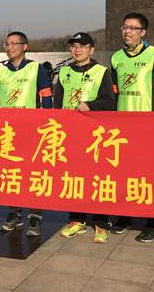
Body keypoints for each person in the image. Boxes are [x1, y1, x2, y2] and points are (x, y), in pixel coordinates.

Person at [0, 31, 53, 236]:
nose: (9, 47)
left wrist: (48, 123)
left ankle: (35, 216)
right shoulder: (0, 72)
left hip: (32, 130)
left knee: (33, 174)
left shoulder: (36, 68)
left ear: (25, 46)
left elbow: (46, 97)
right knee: (12, 173)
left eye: (13, 43)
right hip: (8, 133)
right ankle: (15, 212)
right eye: (6, 44)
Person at [109, 12, 154, 241]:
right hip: (123, 128)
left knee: (150, 175)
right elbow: (114, 92)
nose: (127, 31)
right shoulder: (116, 58)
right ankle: (126, 216)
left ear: (143, 32)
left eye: (133, 28)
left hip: (148, 127)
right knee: (125, 174)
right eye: (125, 26)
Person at [54, 32, 115, 243]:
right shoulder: (63, 72)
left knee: (97, 178)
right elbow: (57, 104)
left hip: (94, 135)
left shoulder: (101, 72)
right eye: (74, 46)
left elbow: (110, 102)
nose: (77, 49)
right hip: (70, 134)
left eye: (82, 46)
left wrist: (91, 105)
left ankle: (101, 222)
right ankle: (76, 219)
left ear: (92, 50)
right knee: (72, 177)